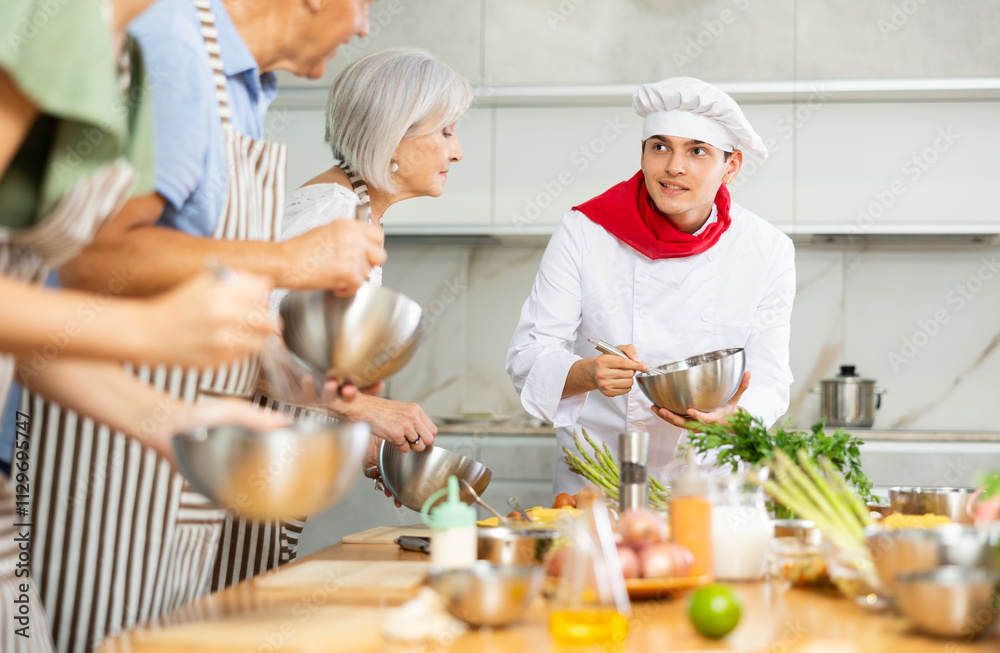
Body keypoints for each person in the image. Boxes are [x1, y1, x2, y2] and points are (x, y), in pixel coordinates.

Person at [17, 0, 380, 650]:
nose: (364, 26)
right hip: (107, 470)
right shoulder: (166, 45)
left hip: (156, 439)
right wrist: (289, 259)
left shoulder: (241, 87)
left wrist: (288, 382)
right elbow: (96, 261)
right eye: (365, 3)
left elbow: (198, 286)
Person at [507, 77, 795, 496]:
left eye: (697, 151)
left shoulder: (766, 249)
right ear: (642, 154)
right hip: (599, 482)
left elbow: (769, 376)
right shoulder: (584, 231)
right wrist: (587, 372)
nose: (674, 167)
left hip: (709, 484)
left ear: (731, 167)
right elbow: (527, 356)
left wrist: (737, 417)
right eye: (660, 147)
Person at [273, 47, 471, 487]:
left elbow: (307, 364)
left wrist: (373, 449)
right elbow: (248, 346)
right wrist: (365, 409)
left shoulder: (360, 213)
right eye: (445, 131)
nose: (458, 152)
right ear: (392, 136)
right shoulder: (331, 212)